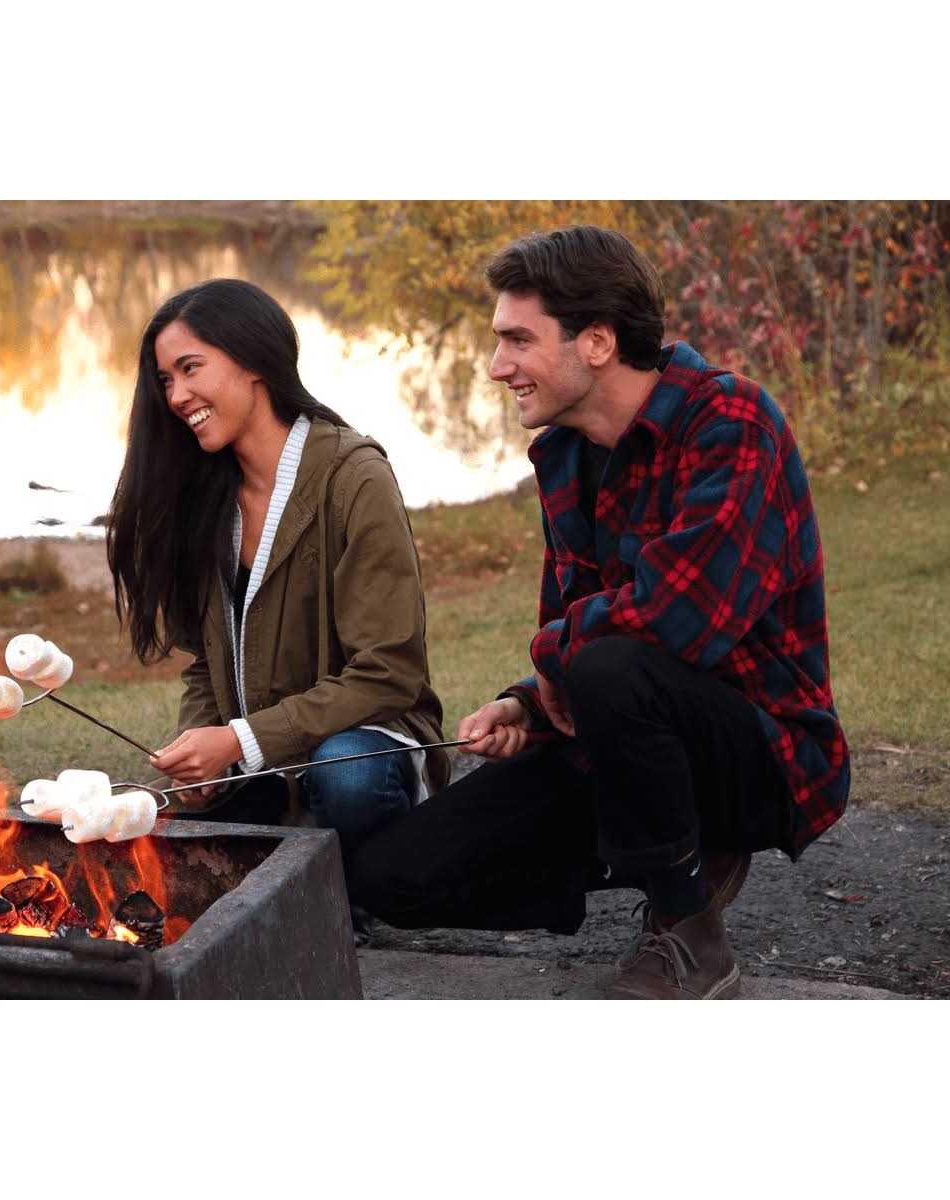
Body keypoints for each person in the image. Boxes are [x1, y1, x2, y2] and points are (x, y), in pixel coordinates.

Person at [347, 226, 851, 998]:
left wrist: (556, 664)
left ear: (598, 342)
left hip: (765, 754)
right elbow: (585, 629)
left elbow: (682, 618)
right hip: (629, 731)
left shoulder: (732, 422)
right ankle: (667, 847)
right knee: (391, 876)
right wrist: (529, 706)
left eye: (518, 340)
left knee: (606, 664)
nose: (498, 366)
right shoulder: (567, 454)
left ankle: (688, 931)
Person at [107, 278, 449, 941]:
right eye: (166, 380)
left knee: (347, 777)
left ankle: (351, 890)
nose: (175, 397)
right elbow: (205, 665)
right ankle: (287, 860)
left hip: (366, 743)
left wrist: (238, 741)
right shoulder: (206, 495)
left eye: (191, 369)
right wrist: (198, 753)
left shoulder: (354, 477)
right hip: (261, 761)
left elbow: (389, 673)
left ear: (254, 360)